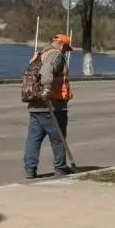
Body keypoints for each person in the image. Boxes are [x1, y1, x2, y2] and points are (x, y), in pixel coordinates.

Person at [24, 34, 73, 179]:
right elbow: (46, 72)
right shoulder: (56, 55)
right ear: (63, 45)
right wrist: (47, 90)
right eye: (66, 49)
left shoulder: (40, 55)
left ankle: (30, 169)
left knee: (34, 139)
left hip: (35, 104)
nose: (66, 52)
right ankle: (60, 167)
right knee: (58, 138)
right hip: (52, 105)